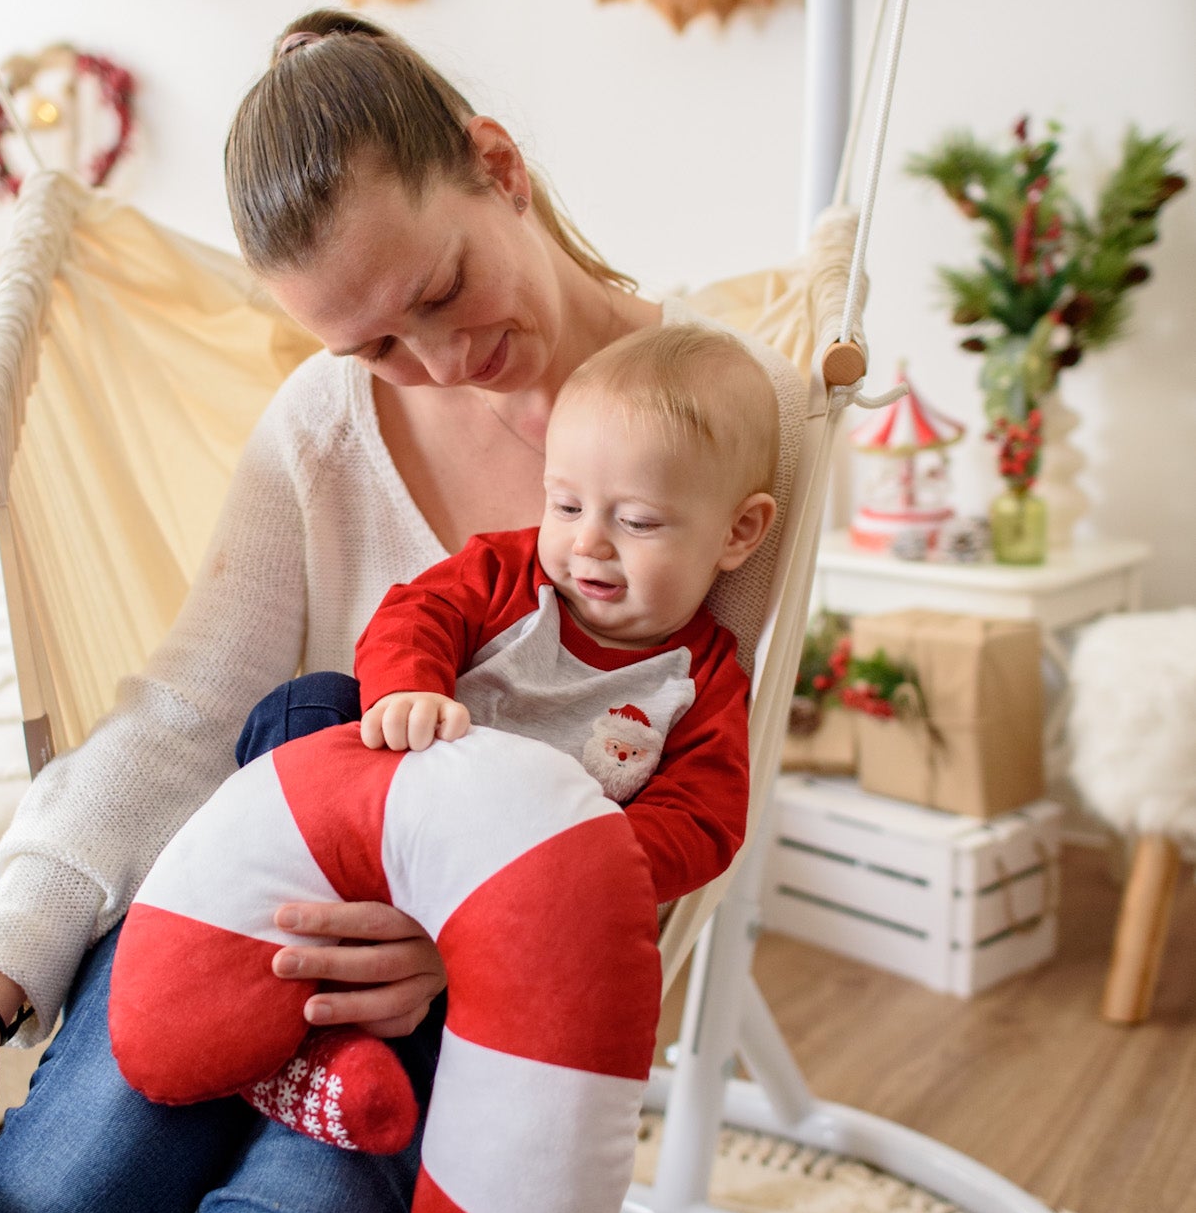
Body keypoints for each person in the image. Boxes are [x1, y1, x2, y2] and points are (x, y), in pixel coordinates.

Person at [0, 11, 776, 1213]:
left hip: (458, 1030)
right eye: (372, 345)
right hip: (234, 920)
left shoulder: (718, 429)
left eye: (433, 293)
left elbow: (702, 780)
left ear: (495, 163)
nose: (428, 363)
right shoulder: (321, 427)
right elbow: (177, 724)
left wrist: (483, 931)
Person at [109, 321, 779, 1158]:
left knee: (537, 993)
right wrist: (411, 690)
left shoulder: (697, 681)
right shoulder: (510, 573)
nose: (588, 543)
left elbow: (706, 819)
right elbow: (414, 614)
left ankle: (314, 1065)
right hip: (382, 827)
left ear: (740, 534)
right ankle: (253, 966)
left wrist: (577, 857)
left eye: (638, 523)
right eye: (565, 505)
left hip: (495, 902)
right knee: (311, 707)